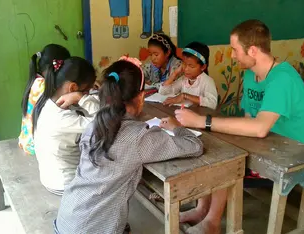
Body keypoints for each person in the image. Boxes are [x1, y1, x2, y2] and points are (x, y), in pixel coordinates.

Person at [174, 19, 304, 234]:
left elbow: (259, 128)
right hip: (266, 145)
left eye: (234, 50)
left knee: (225, 163)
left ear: (253, 50)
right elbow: (249, 118)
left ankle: (211, 222)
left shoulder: (283, 79)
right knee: (211, 148)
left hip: (292, 155)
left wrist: (203, 121)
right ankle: (202, 211)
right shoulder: (250, 74)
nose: (232, 55)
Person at [54, 56, 203, 234]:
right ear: (141, 97)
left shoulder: (94, 124)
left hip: (66, 220)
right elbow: (194, 145)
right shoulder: (139, 136)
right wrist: (178, 128)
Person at [33, 56, 99, 195]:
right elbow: (103, 121)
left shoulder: (47, 101)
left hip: (51, 177)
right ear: (73, 88)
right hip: (65, 184)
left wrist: (83, 97)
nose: (87, 95)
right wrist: (82, 99)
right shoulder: (61, 118)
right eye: (86, 91)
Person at [19, 44, 71, 155]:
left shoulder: (36, 81)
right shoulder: (47, 87)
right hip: (38, 147)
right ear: (58, 67)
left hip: (26, 141)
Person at [160, 41, 218, 109]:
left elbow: (212, 103)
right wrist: (174, 73)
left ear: (203, 67)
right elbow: (163, 92)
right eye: (184, 64)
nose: (186, 69)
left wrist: (185, 96)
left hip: (199, 117)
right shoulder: (184, 79)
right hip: (184, 115)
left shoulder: (207, 81)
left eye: (191, 66)